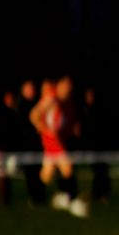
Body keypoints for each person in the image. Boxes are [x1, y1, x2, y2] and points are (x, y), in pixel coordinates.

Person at [30, 76, 88, 218]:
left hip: (60, 141)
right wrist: (45, 130)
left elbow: (66, 123)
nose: (68, 87)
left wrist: (73, 129)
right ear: (59, 85)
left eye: (70, 85)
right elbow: (34, 115)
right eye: (65, 84)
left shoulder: (68, 102)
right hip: (52, 141)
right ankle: (73, 200)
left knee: (47, 174)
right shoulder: (51, 99)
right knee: (67, 167)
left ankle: (42, 197)